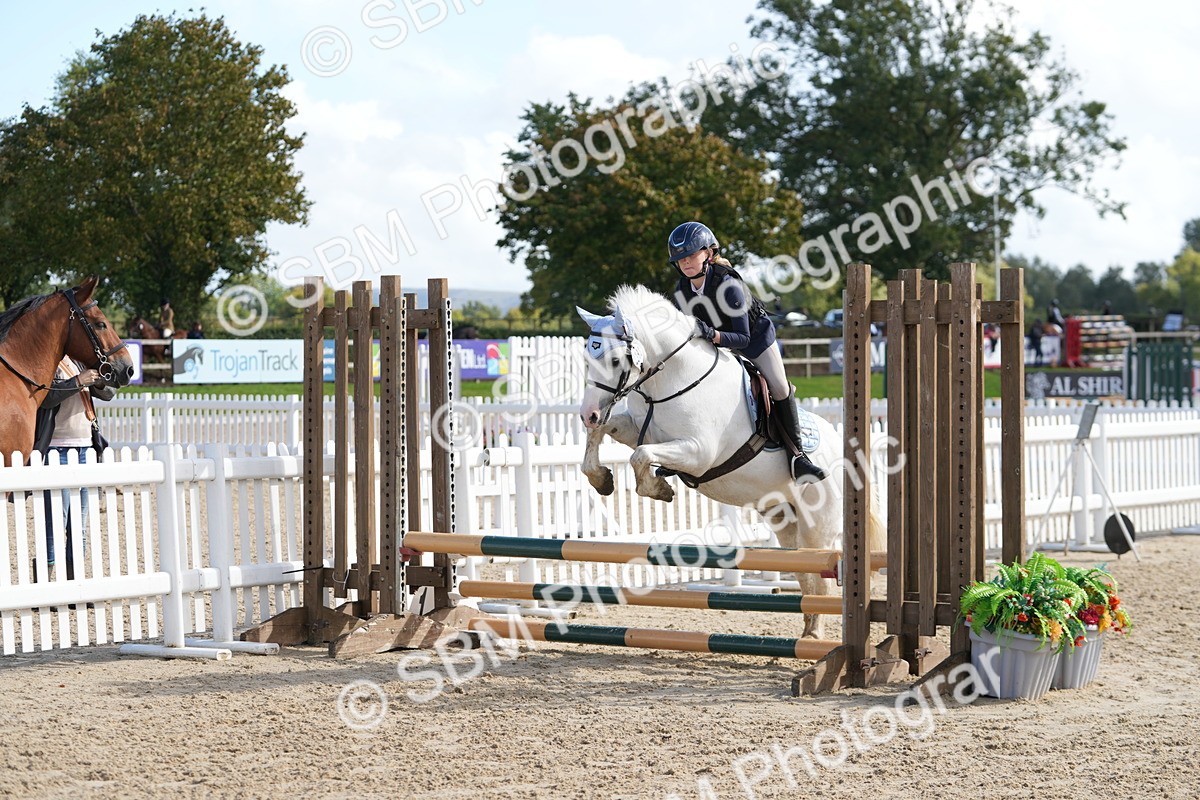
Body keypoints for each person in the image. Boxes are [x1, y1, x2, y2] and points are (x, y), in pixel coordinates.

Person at [667, 221, 826, 481]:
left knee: (779, 388)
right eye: (680, 258)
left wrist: (711, 334)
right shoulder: (683, 290)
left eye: (691, 255)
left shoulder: (728, 284)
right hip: (717, 344)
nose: (685, 262)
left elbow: (742, 337)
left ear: (708, 253)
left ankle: (798, 456)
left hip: (755, 341)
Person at [33, 356, 114, 580]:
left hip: (86, 448)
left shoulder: (80, 361)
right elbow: (46, 398)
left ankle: (74, 580)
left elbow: (108, 394)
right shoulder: (50, 360)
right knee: (56, 521)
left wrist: (98, 382)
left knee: (79, 524)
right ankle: (45, 579)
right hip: (56, 448)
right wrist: (78, 381)